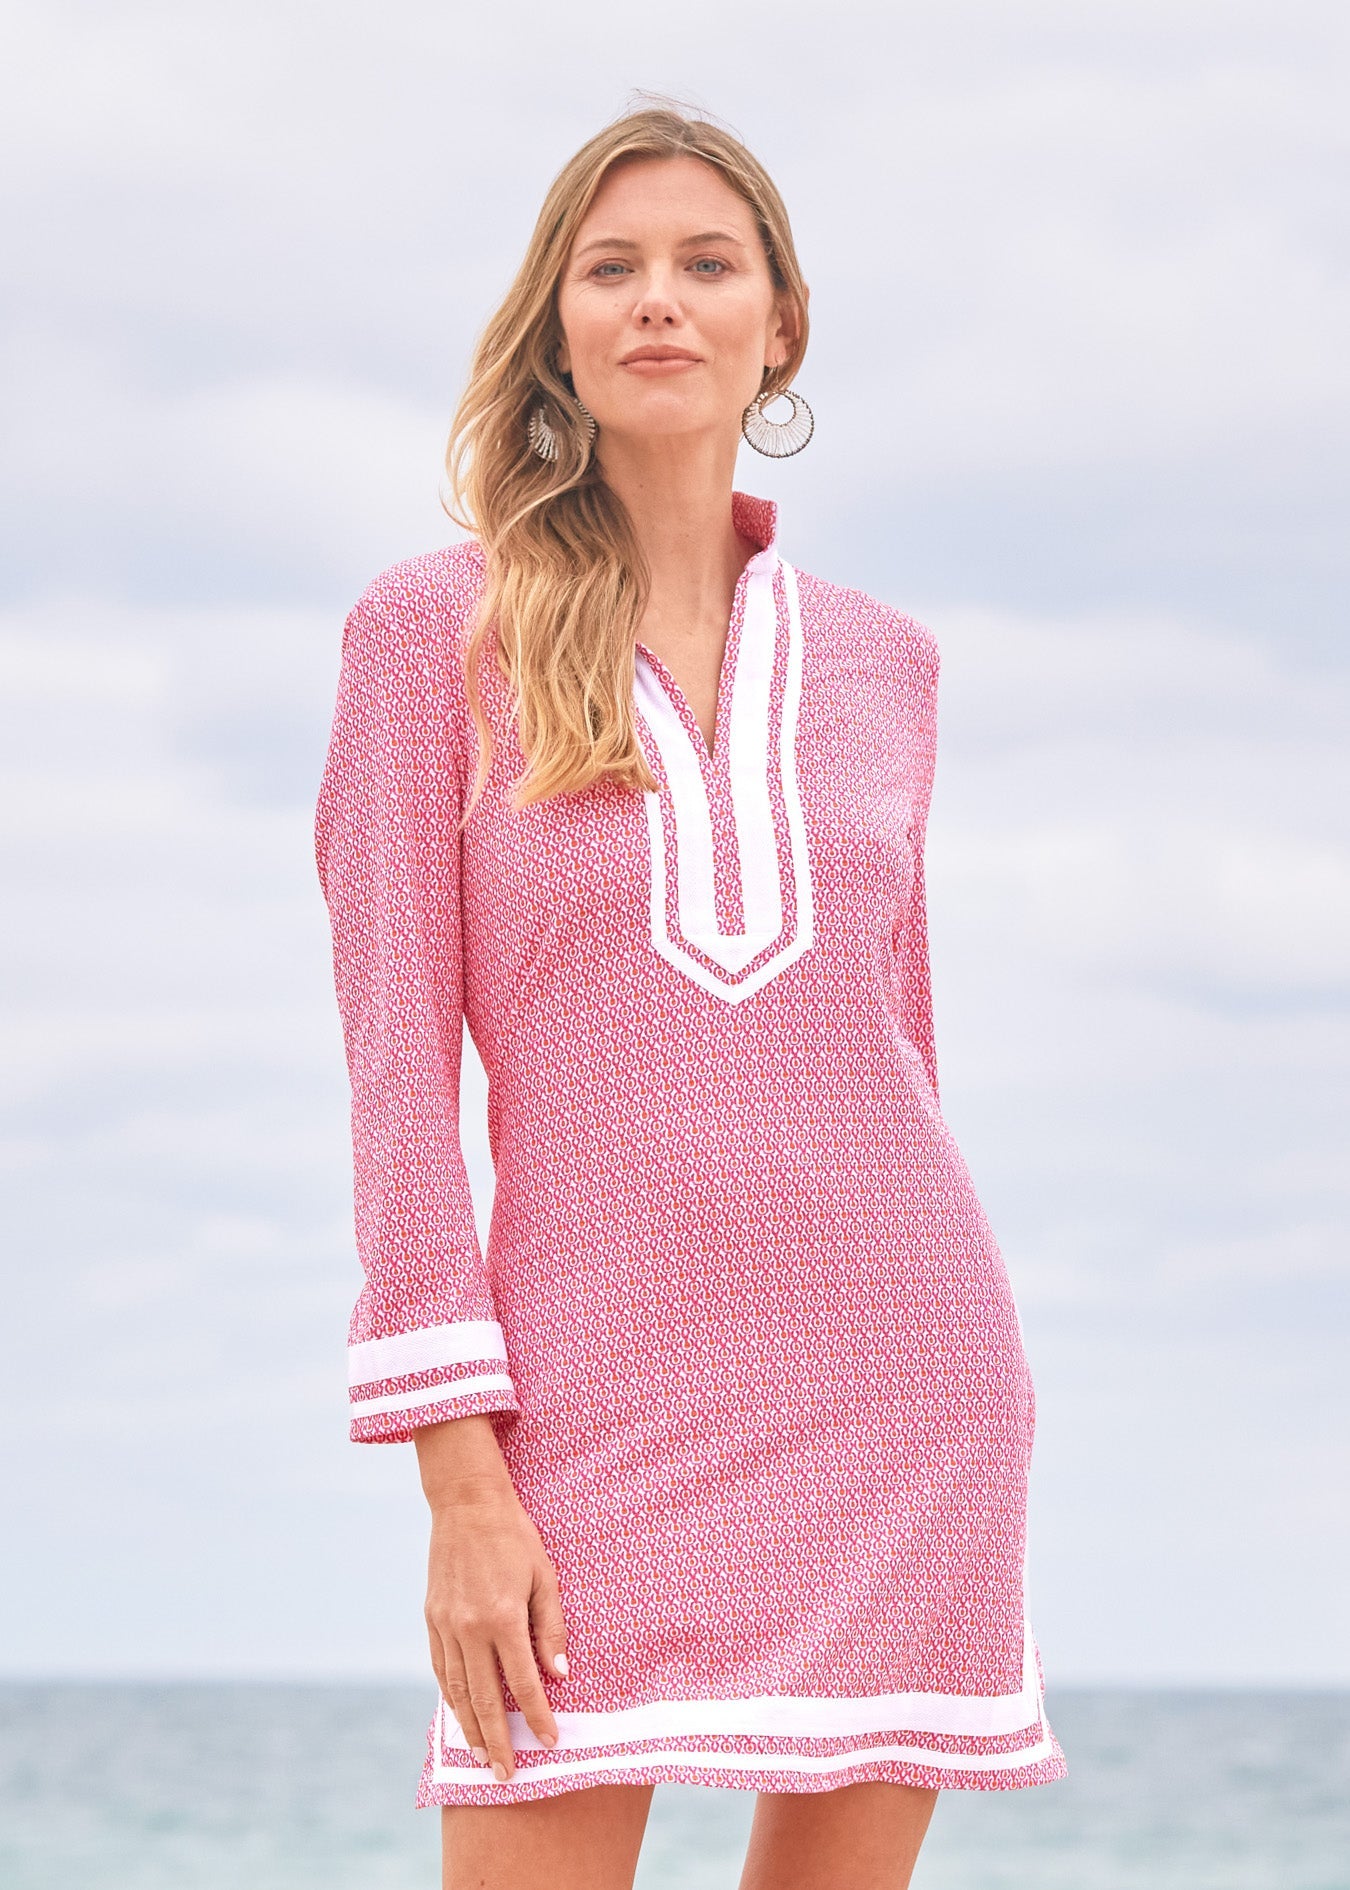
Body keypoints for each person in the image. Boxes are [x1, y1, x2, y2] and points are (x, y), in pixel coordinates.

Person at [314, 103, 1066, 1890]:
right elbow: (394, 1072)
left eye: (706, 266)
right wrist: (458, 1481)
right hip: (583, 1407)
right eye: (613, 266)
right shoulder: (433, 634)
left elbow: (900, 1052)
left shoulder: (889, 666)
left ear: (778, 324)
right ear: (559, 323)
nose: (661, 300)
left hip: (907, 1387)